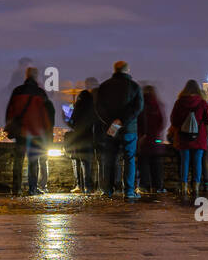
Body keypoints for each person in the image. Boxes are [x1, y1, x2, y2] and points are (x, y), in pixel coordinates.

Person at [95, 60, 144, 199]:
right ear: (127, 70)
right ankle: (128, 191)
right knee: (129, 159)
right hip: (129, 129)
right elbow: (138, 108)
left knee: (110, 159)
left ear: (115, 70)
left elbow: (99, 108)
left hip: (111, 128)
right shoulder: (134, 87)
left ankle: (108, 190)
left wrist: (112, 123)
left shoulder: (104, 86)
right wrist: (122, 121)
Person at [4, 68, 55, 196]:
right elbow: (46, 115)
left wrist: (11, 127)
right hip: (36, 133)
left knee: (18, 160)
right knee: (34, 161)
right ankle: (32, 188)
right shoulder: (40, 93)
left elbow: (10, 112)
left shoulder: (17, 91)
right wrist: (47, 132)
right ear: (36, 77)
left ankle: (16, 188)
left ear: (26, 76)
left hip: (21, 132)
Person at [171, 80, 208, 198]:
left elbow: (174, 120)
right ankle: (196, 187)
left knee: (185, 161)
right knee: (197, 162)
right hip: (199, 137)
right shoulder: (202, 103)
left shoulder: (179, 102)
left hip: (183, 137)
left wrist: (181, 126)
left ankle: (184, 187)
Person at [67, 79, 100, 194]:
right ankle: (88, 187)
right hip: (91, 134)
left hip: (80, 134)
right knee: (87, 161)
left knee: (78, 160)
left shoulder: (83, 97)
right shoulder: (97, 99)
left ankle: (81, 186)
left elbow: (74, 117)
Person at [137, 84, 167, 194]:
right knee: (157, 165)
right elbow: (162, 122)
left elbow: (138, 123)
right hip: (156, 140)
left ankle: (144, 186)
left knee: (143, 164)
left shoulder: (140, 105)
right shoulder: (157, 104)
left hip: (143, 140)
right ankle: (158, 186)